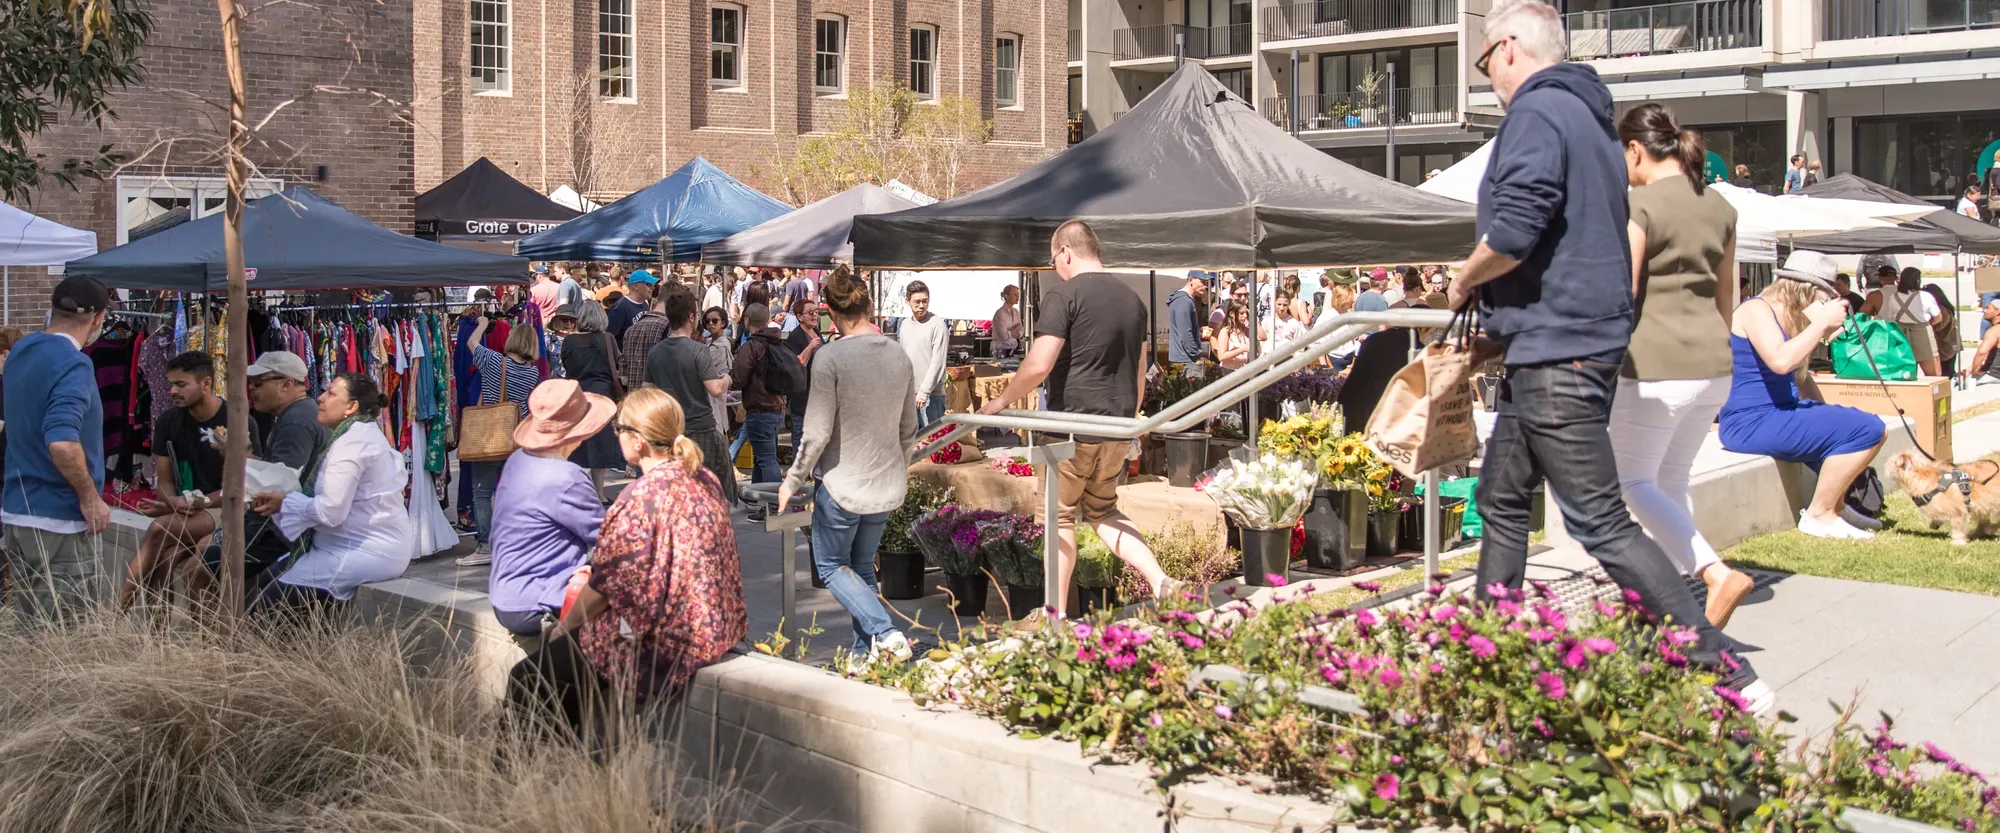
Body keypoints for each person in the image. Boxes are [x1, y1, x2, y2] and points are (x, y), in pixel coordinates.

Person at [1450, 0, 1769, 712]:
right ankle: (1484, 647)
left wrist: (1464, 279)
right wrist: (1501, 329)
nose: (1487, 78)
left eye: (1483, 63)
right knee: (1500, 499)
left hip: (1558, 353)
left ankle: (1725, 674)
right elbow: (1574, 242)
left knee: (1600, 518)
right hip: (1558, 344)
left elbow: (1520, 224)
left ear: (1506, 49)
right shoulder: (1593, 122)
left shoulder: (1538, 112)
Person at [507, 388, 744, 741]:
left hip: (665, 641)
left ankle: (529, 775)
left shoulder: (639, 498)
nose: (615, 435)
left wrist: (564, 629)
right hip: (717, 625)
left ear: (637, 442)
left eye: (619, 429)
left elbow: (604, 586)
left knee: (527, 679)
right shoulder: (704, 477)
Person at [1603, 102, 1756, 629]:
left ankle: (1713, 573)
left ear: (1634, 149)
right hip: (1714, 362)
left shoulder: (1637, 204)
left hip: (1655, 363)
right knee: (1670, 479)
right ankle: (1667, 602)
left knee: (1631, 482)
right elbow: (1726, 294)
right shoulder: (1720, 205)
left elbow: (1625, 289)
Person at [977, 221, 1175, 615]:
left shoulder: (1063, 294)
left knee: (1059, 516)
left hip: (1071, 427)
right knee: (1103, 511)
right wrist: (1130, 420)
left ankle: (1055, 613)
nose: (1056, 269)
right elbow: (1139, 371)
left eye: (1054, 261)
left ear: (1065, 252)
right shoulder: (1133, 300)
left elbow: (1039, 363)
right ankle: (1161, 581)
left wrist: (1000, 402)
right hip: (1117, 425)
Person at [776, 266, 919, 663]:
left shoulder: (829, 356)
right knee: (860, 567)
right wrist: (899, 466)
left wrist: (792, 479)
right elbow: (909, 428)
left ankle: (887, 633)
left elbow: (817, 430)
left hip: (843, 483)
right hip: (885, 481)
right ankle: (863, 656)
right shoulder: (897, 353)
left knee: (831, 566)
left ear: (831, 313)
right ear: (870, 306)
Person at [1718, 251, 1886, 539]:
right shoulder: (1755, 310)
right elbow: (1781, 362)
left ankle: (1838, 506)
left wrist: (1827, 416)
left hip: (1778, 413)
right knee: (1870, 428)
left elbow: (1801, 376)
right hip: (1749, 422)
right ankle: (1819, 514)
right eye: (1824, 296)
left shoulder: (1789, 316)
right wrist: (1820, 324)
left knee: (1859, 430)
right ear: (1806, 289)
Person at [248, 373, 416, 613]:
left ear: (352, 406)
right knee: (268, 580)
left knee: (270, 603)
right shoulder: (354, 436)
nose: (320, 398)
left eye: (330, 393)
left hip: (365, 551)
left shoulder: (353, 444)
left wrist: (285, 503)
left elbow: (330, 512)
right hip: (345, 546)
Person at [2, 275, 112, 624]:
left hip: (17, 511)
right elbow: (62, 442)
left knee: (32, 629)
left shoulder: (22, 350)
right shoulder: (75, 363)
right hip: (58, 519)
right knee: (69, 639)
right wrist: (91, 498)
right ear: (98, 319)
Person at [117, 351, 261, 611]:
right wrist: (172, 501)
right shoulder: (168, 421)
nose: (172, 391)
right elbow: (164, 480)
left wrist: (201, 501)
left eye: (181, 384)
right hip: (190, 510)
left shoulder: (238, 419)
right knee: (165, 560)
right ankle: (159, 637)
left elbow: (248, 481)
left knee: (159, 530)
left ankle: (116, 613)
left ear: (206, 383)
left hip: (229, 507)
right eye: (171, 383)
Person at [486, 380, 610, 638]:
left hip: (505, 594)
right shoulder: (566, 477)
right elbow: (609, 539)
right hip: (538, 601)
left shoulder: (518, 458)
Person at [204, 350, 330, 600]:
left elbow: (280, 485)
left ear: (287, 384)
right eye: (251, 382)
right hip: (285, 524)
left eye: (259, 382)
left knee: (200, 567)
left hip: (281, 531)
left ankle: (211, 636)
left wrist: (236, 454)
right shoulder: (299, 412)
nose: (252, 388)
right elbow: (279, 473)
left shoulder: (296, 421)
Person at [454, 316, 545, 566]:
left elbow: (471, 343)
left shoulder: (494, 361)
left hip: (490, 434)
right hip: (517, 438)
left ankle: (485, 546)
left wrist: (482, 324)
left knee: (482, 492)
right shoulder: (532, 371)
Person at [643, 286, 736, 504]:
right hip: (701, 432)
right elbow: (715, 388)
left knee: (677, 497)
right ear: (692, 317)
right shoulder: (698, 350)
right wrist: (727, 378)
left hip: (670, 432)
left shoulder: (655, 352)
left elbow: (646, 393)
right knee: (711, 497)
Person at [559, 302, 626, 500]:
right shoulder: (608, 339)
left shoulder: (569, 341)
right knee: (601, 444)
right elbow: (618, 363)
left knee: (578, 444)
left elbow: (565, 364)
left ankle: (578, 491)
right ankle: (599, 493)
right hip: (603, 395)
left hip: (577, 394)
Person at [731, 303, 790, 519]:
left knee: (766, 459)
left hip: (760, 408)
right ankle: (758, 501)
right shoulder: (777, 342)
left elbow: (737, 377)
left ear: (747, 320)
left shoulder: (752, 346)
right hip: (777, 407)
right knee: (762, 457)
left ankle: (775, 505)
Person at [1870, 266, 1945, 377]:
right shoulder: (1926, 296)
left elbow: (1891, 318)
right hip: (1922, 333)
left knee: (1906, 374)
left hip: (1901, 334)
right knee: (1933, 374)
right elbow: (1938, 317)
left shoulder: (1893, 297)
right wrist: (1930, 324)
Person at [896, 281, 950, 428]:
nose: (921, 306)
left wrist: (924, 392)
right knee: (913, 443)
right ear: (907, 301)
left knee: (933, 443)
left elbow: (938, 363)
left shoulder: (937, 325)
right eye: (917, 302)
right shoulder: (905, 324)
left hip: (932, 396)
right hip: (909, 394)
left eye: (924, 301)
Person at [618, 284, 671, 393]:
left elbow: (623, 376)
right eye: (647, 285)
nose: (651, 288)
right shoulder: (670, 328)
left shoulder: (630, 330)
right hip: (658, 400)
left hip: (635, 400)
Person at [701, 306, 734, 447]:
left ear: (723, 323)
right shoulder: (709, 342)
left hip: (715, 392)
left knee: (717, 427)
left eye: (715, 320)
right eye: (707, 321)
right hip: (711, 393)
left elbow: (705, 368)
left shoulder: (720, 346)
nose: (711, 324)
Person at [1165, 272, 1207, 364]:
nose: (1205, 286)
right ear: (1190, 280)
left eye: (1206, 282)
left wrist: (1197, 331)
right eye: (1202, 282)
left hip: (1183, 358)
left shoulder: (1184, 300)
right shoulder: (1184, 301)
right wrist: (1196, 356)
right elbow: (1185, 333)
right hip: (1185, 360)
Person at [1923, 283, 1962, 377]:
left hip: (1946, 345)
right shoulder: (1944, 307)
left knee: (1946, 372)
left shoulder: (1941, 309)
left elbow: (1939, 326)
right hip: (1949, 343)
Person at [608, 270, 655, 342]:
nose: (653, 288)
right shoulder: (620, 307)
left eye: (653, 285)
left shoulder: (644, 304)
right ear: (636, 286)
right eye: (649, 285)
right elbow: (610, 337)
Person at [1967, 298, 2000, 385]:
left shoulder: (1994, 331)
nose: (1984, 311)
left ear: (1998, 312)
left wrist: (1974, 372)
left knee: (1963, 381)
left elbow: (1982, 352)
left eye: (1988, 308)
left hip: (1994, 376)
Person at [1212, 301, 1252, 370]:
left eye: (1246, 313)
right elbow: (1221, 356)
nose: (1245, 316)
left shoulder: (1243, 329)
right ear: (1231, 314)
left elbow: (1263, 337)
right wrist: (1242, 349)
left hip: (1243, 369)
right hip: (1228, 370)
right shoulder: (1225, 332)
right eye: (1242, 313)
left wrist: (1252, 317)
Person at [992, 285, 1024, 359]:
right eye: (1015, 294)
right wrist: (1016, 329)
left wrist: (1012, 332)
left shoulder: (1016, 312)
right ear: (1006, 296)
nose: (1018, 297)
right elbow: (1004, 336)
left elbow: (1021, 331)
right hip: (1000, 352)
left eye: (1018, 294)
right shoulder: (1000, 313)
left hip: (1014, 349)